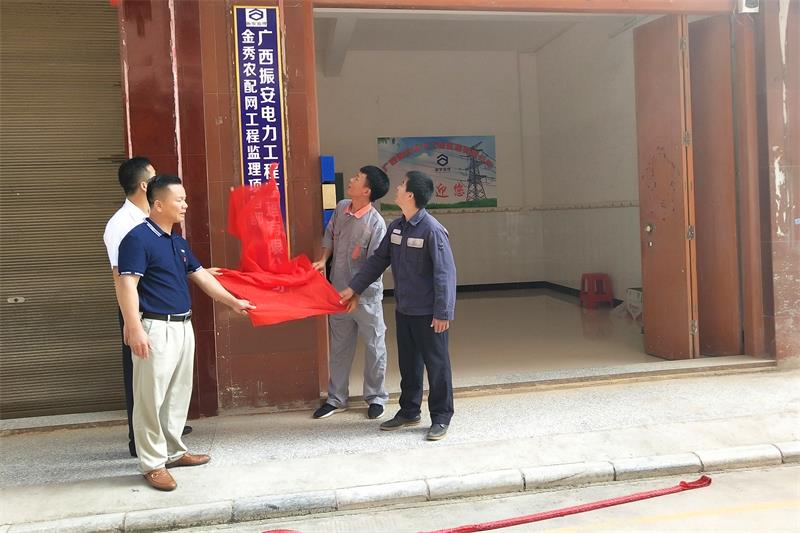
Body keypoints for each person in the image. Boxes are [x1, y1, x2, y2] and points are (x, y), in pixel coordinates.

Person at [117, 175, 254, 491]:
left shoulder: (177, 241)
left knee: (177, 395)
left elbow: (201, 275)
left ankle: (174, 452)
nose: (185, 205)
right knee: (150, 398)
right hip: (154, 328)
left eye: (185, 199)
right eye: (179, 200)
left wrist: (233, 302)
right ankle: (152, 464)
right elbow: (127, 285)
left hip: (182, 326)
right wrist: (134, 327)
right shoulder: (137, 239)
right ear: (158, 204)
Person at [339, 171, 456, 441]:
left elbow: (445, 274)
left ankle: (441, 417)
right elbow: (378, 261)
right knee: (409, 363)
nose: (398, 187)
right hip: (405, 310)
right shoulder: (396, 227)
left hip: (429, 314)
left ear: (411, 195)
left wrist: (443, 312)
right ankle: (409, 411)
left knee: (437, 365)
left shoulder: (432, 230)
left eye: (402, 185)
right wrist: (354, 288)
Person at [103, 157, 192, 458]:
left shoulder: (155, 223)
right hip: (142, 313)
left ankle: (169, 445)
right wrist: (133, 324)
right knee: (143, 386)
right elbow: (122, 279)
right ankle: (141, 447)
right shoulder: (122, 225)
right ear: (145, 186)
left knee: (168, 384)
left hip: (164, 312)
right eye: (154, 177)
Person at [311, 165, 391, 420]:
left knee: (374, 345)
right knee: (339, 347)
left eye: (357, 178)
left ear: (367, 191)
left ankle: (376, 397)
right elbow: (330, 236)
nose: (351, 180)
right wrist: (323, 260)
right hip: (337, 293)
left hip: (366, 298)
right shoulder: (341, 207)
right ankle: (336, 399)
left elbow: (376, 264)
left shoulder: (376, 224)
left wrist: (356, 291)